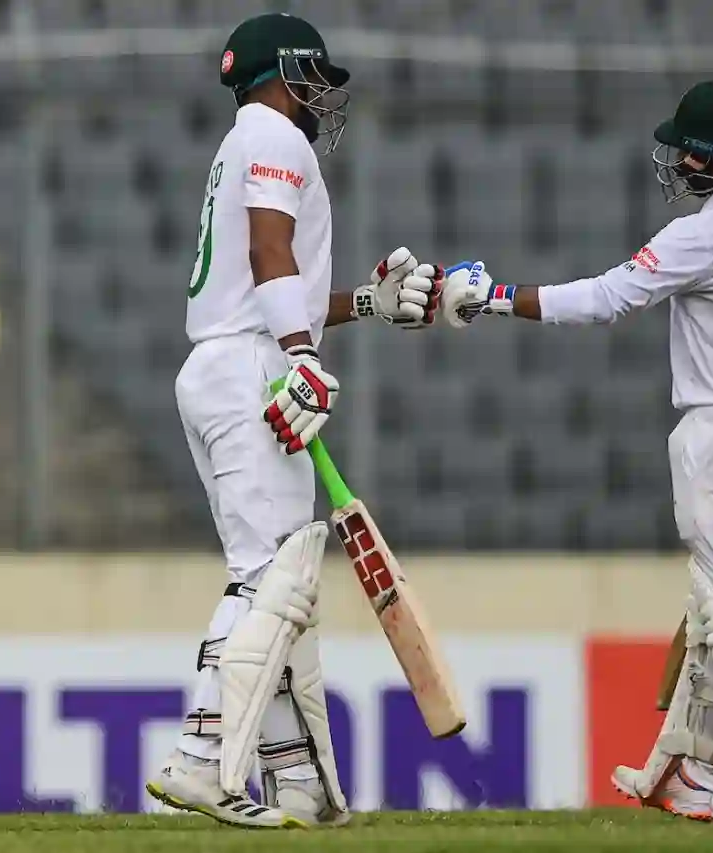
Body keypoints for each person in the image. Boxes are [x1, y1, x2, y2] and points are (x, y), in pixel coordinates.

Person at [441, 78, 713, 824]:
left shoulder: (703, 233)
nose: (677, 160)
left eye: (687, 150)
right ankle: (689, 776)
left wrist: (493, 293)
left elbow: (605, 299)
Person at [145, 12, 440, 828]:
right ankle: (202, 757)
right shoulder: (276, 134)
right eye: (313, 75)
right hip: (251, 370)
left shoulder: (245, 140)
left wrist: (365, 305)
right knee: (269, 583)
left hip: (225, 365)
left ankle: (302, 781)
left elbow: (274, 283)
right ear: (280, 74)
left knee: (278, 582)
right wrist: (305, 357)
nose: (322, 94)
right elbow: (273, 252)